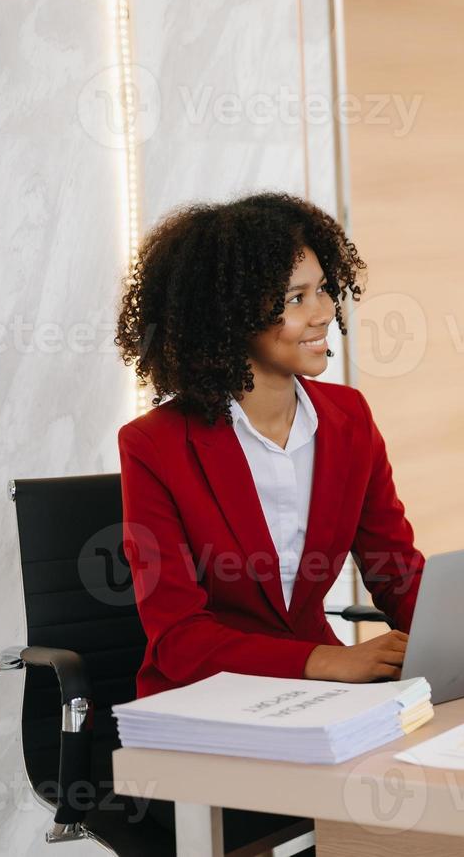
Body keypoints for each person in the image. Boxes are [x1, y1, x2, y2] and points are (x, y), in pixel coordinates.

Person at [115, 192, 424, 697]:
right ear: (228, 316)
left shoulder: (349, 419)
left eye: (323, 289)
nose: (323, 312)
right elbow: (178, 639)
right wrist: (322, 660)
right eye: (295, 299)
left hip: (321, 695)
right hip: (206, 699)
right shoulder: (154, 447)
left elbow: (396, 571)